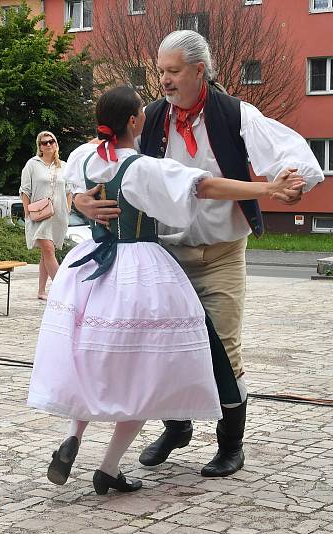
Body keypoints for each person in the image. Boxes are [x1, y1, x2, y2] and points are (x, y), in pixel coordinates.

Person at [29, 85, 305, 495]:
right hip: (137, 268)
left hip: (90, 269)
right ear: (135, 122)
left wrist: (80, 201)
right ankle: (108, 466)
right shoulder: (142, 168)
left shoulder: (85, 157)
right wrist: (267, 189)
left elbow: (72, 189)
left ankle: (74, 435)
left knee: (92, 358)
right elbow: (206, 186)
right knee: (145, 371)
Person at [75, 31, 326, 479]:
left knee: (223, 351)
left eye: (172, 72)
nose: (165, 81)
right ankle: (177, 427)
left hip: (224, 252)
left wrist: (293, 180)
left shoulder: (234, 114)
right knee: (165, 348)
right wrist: (81, 200)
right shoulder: (149, 119)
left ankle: (230, 445)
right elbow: (92, 163)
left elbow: (291, 152)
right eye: (161, 72)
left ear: (198, 70)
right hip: (165, 254)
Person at [19, 131, 71, 301]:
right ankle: (61, 290)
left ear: (56, 144)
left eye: (51, 141)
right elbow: (24, 190)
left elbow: (69, 189)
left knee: (47, 253)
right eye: (44, 142)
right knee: (48, 249)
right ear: (39, 146)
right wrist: (28, 212)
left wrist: (68, 209)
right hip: (39, 216)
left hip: (59, 216)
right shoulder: (32, 164)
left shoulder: (63, 165)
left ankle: (42, 291)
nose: (48, 144)